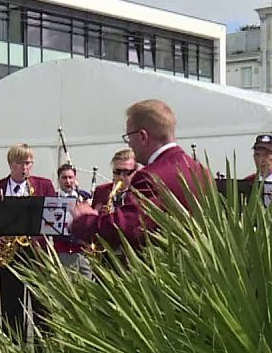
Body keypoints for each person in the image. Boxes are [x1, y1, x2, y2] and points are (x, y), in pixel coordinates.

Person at [71, 99, 212, 251]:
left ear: (143, 136)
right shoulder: (200, 170)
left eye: (129, 137)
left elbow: (128, 228)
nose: (129, 144)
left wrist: (84, 221)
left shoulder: (151, 176)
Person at [0, 144, 55, 344]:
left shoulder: (44, 186)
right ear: (10, 164)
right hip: (9, 257)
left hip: (37, 257)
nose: (25, 167)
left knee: (42, 311)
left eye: (28, 163)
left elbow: (53, 215)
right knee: (11, 311)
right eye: (20, 163)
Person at [53, 163, 93, 277]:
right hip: (63, 251)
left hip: (84, 252)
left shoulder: (84, 196)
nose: (68, 181)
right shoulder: (54, 198)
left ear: (75, 179)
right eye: (64, 178)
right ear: (59, 180)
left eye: (70, 177)